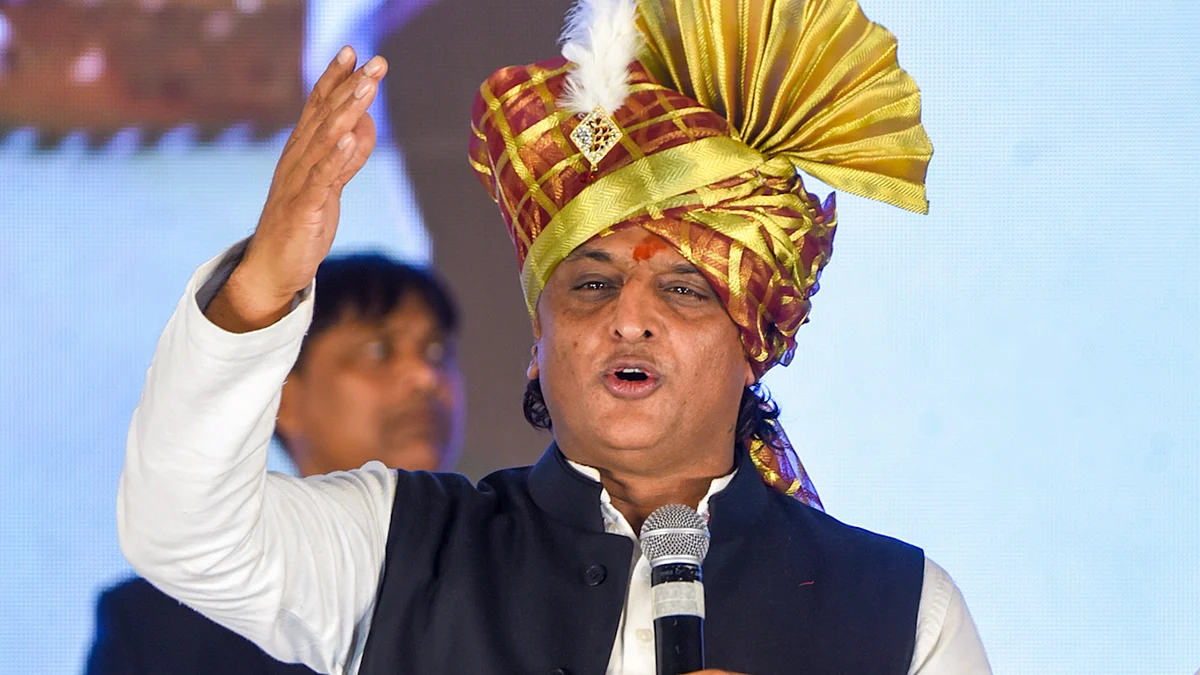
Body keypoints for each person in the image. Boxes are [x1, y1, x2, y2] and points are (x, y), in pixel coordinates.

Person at [118, 0, 993, 673]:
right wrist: (265, 279)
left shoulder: (903, 610)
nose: (628, 316)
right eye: (591, 284)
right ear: (538, 344)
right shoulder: (402, 546)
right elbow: (181, 530)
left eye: (684, 288)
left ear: (753, 341)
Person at [89, 254, 463, 675]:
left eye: (437, 351)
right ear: (283, 394)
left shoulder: (500, 572)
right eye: (378, 351)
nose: (425, 377)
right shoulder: (162, 627)